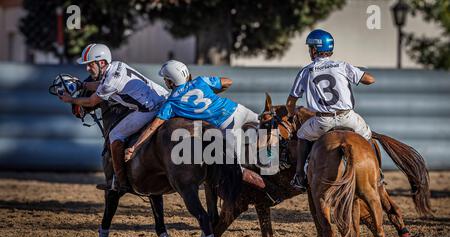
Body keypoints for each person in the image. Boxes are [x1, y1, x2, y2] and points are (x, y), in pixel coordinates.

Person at [124, 59, 266, 189]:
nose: (165, 82)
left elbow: (152, 127)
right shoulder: (200, 81)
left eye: (166, 79)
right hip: (239, 110)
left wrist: (134, 147)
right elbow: (228, 81)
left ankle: (265, 189)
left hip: (227, 125)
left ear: (171, 82)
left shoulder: (171, 103)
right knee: (267, 127)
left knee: (236, 169)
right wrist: (212, 90)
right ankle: (275, 152)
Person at [57, 43, 169, 193]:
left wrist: (70, 100)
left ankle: (121, 182)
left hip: (150, 109)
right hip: (163, 99)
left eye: (90, 65)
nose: (87, 69)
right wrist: (81, 85)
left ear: (101, 62)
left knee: (114, 135)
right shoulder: (117, 65)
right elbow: (101, 84)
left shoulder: (110, 81)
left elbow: (92, 102)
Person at [286, 29, 375, 191]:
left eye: (310, 48)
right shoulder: (342, 65)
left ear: (314, 50)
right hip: (348, 117)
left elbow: (291, 101)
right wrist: (357, 72)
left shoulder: (306, 71)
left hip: (322, 121)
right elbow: (370, 80)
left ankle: (299, 176)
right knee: (368, 135)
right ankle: (377, 173)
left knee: (301, 135)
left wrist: (292, 115)